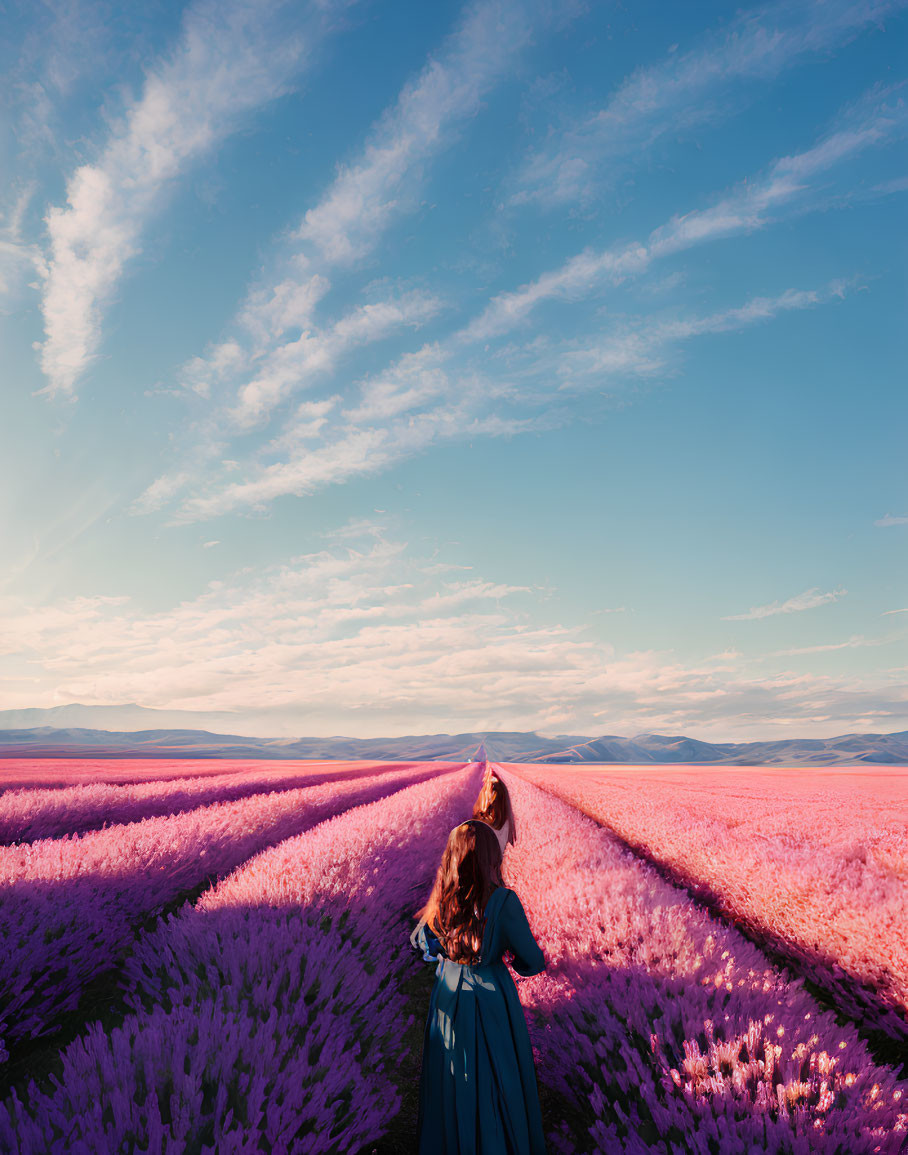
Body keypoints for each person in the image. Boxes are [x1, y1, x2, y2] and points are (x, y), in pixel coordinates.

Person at [413, 819, 547, 1154]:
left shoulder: (441, 899)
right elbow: (533, 960)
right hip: (490, 997)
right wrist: (511, 961)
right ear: (492, 856)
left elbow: (421, 943)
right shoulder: (502, 901)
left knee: (452, 1073)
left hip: (448, 988)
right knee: (495, 1075)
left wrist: (444, 952)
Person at [410, 769, 516, 949]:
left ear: (486, 800)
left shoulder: (479, 828)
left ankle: (433, 942)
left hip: (475, 878)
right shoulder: (507, 824)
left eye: (483, 791)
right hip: (493, 880)